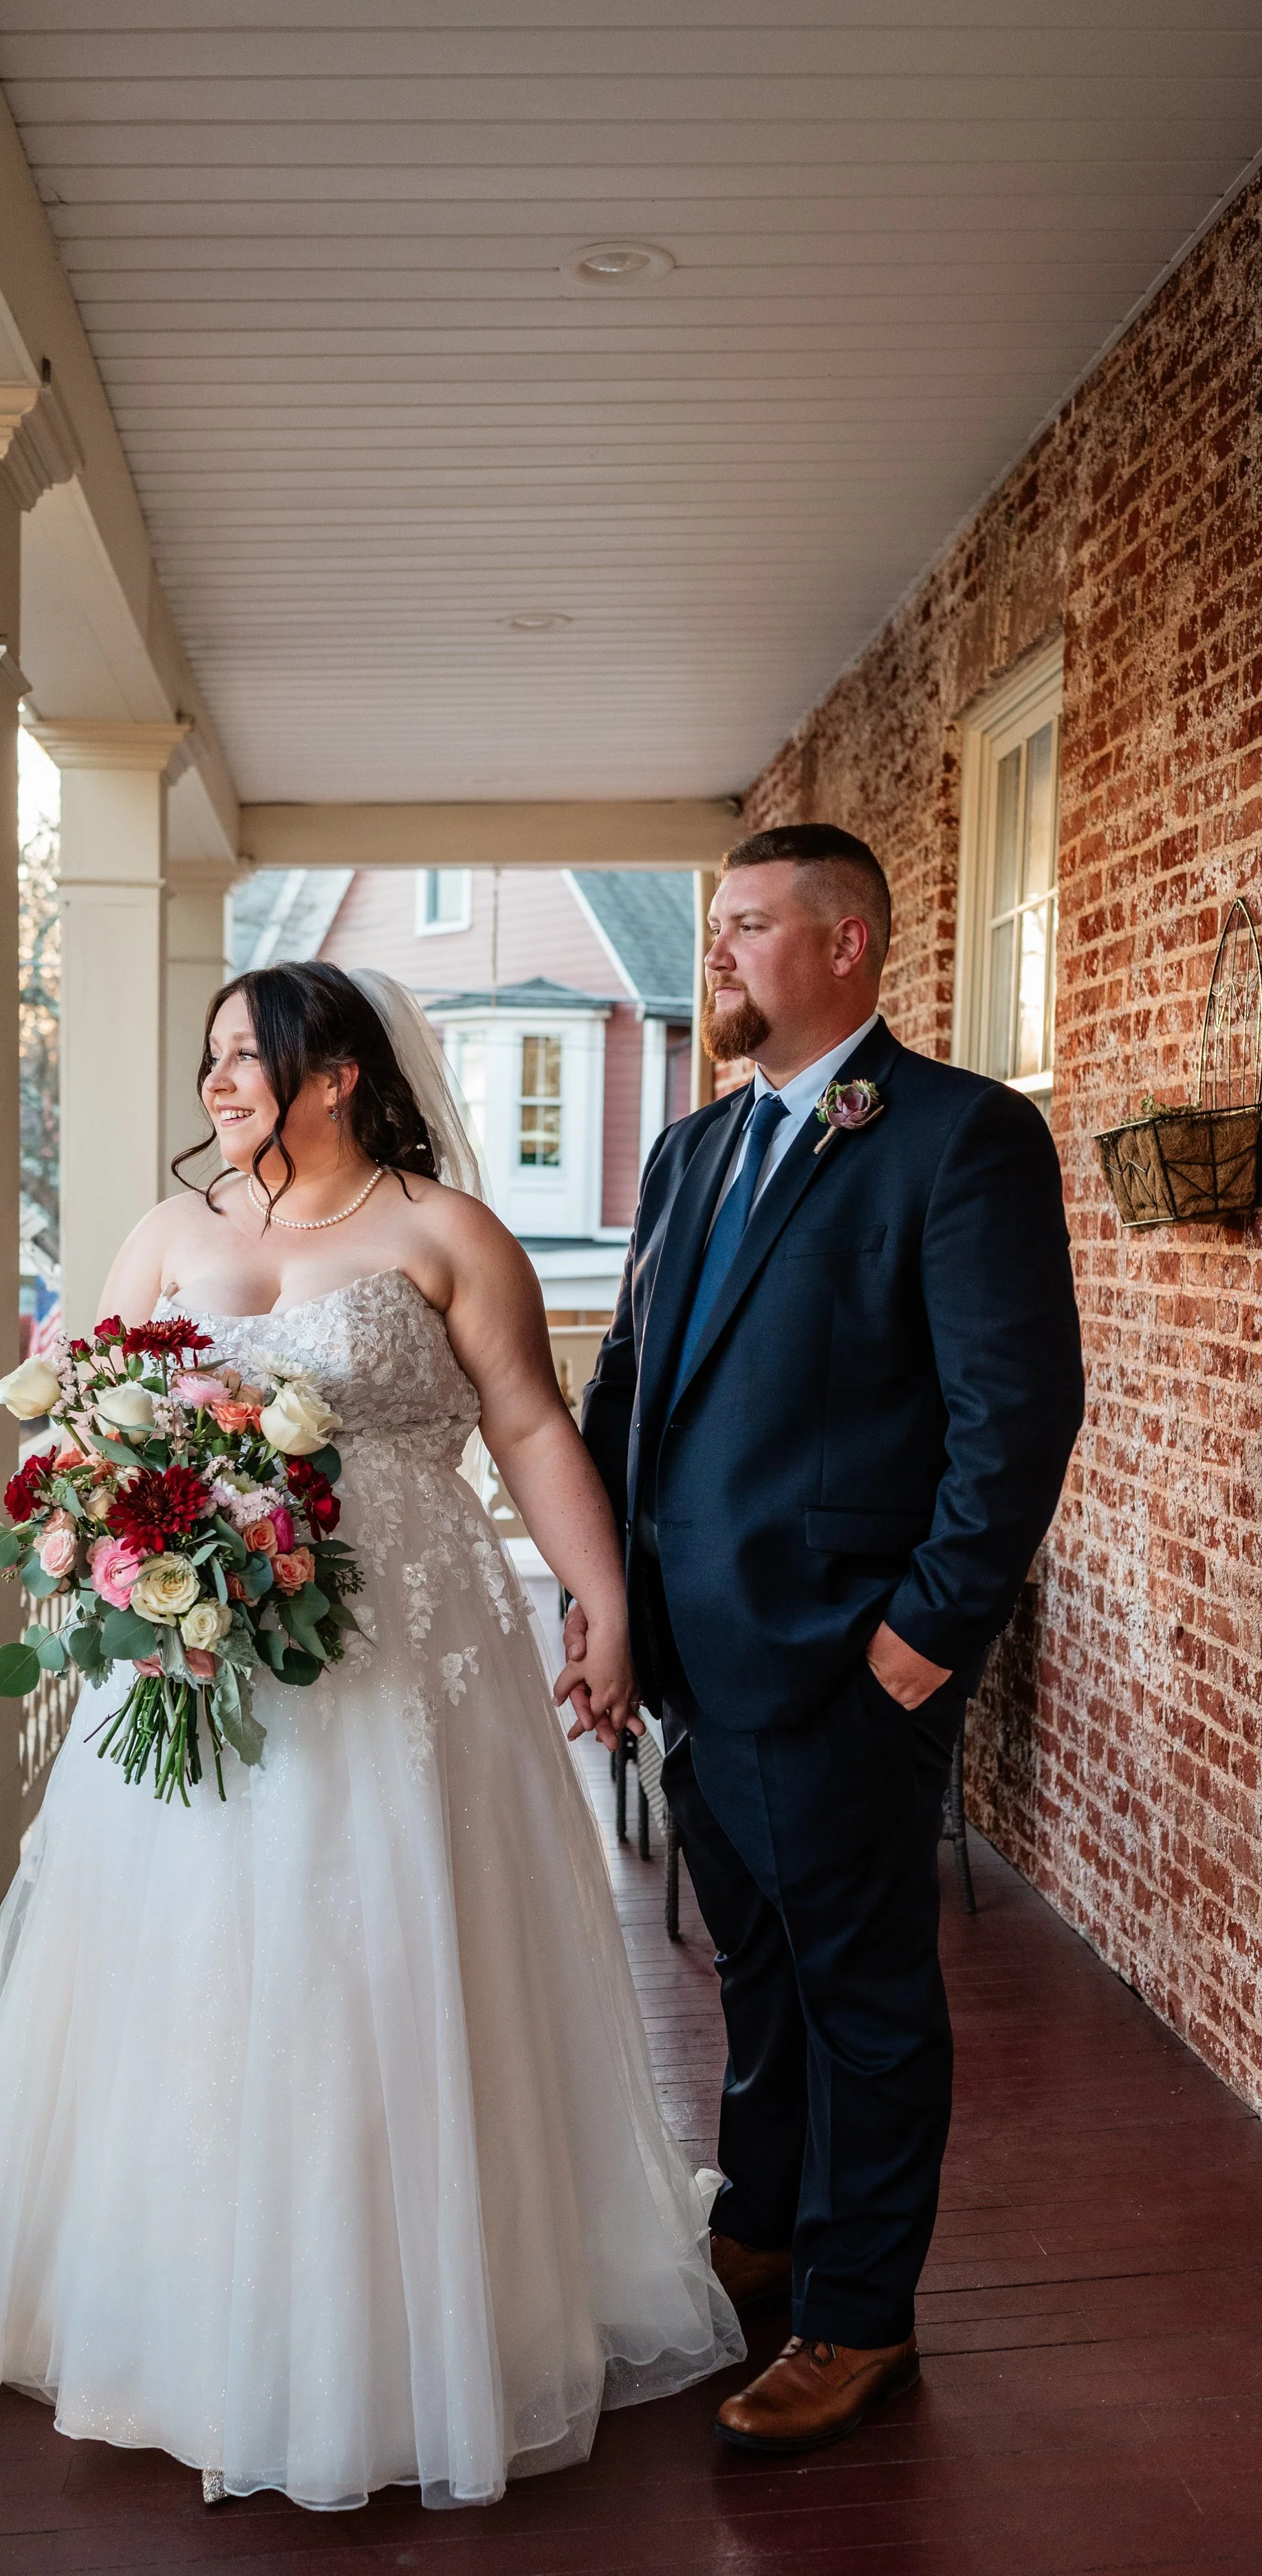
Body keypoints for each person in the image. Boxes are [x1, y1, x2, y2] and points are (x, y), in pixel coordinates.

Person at [0, 958, 741, 2509]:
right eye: (211, 1056)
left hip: (402, 1667)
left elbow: (531, 1427)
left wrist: (602, 1606)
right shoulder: (168, 1235)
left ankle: (409, 2322)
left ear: (336, 1072)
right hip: (194, 1666)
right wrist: (108, 1530)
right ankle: (180, 2317)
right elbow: (79, 1425)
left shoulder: (442, 1233)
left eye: (245, 1056)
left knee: (383, 1961)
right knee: (199, 1967)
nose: (217, 1083)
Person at [574, 823, 1084, 2455]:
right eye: (711, 930)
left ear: (847, 943)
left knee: (864, 2000)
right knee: (762, 1981)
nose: (712, 956)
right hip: (689, 1667)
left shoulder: (958, 1137)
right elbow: (625, 1397)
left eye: (743, 928)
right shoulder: (689, 1154)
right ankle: (762, 2230)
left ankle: (859, 2318)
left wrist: (914, 1646)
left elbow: (1013, 1417)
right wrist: (604, 1613)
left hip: (844, 1665)